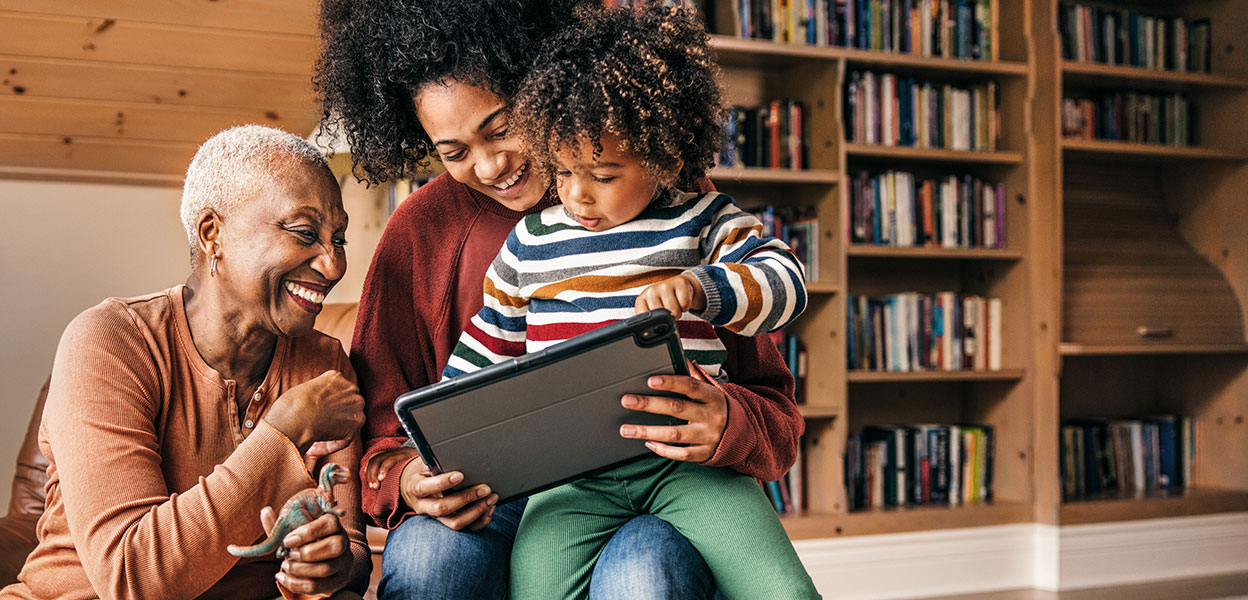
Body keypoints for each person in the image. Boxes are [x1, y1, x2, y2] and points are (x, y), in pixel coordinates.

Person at [312, 1, 807, 598]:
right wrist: (410, 476)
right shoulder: (424, 232)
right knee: (428, 562)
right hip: (500, 496)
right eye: (453, 151)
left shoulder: (665, 194)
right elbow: (399, 421)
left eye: (500, 127)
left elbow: (773, 397)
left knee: (644, 571)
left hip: (665, 470)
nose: (491, 164)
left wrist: (728, 419)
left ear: (543, 87)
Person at [0, 125, 371, 600]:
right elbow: (134, 577)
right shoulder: (109, 342)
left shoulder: (324, 365)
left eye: (337, 239)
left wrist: (333, 563)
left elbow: (355, 554)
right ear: (212, 234)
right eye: (304, 233)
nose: (334, 265)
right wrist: (282, 431)